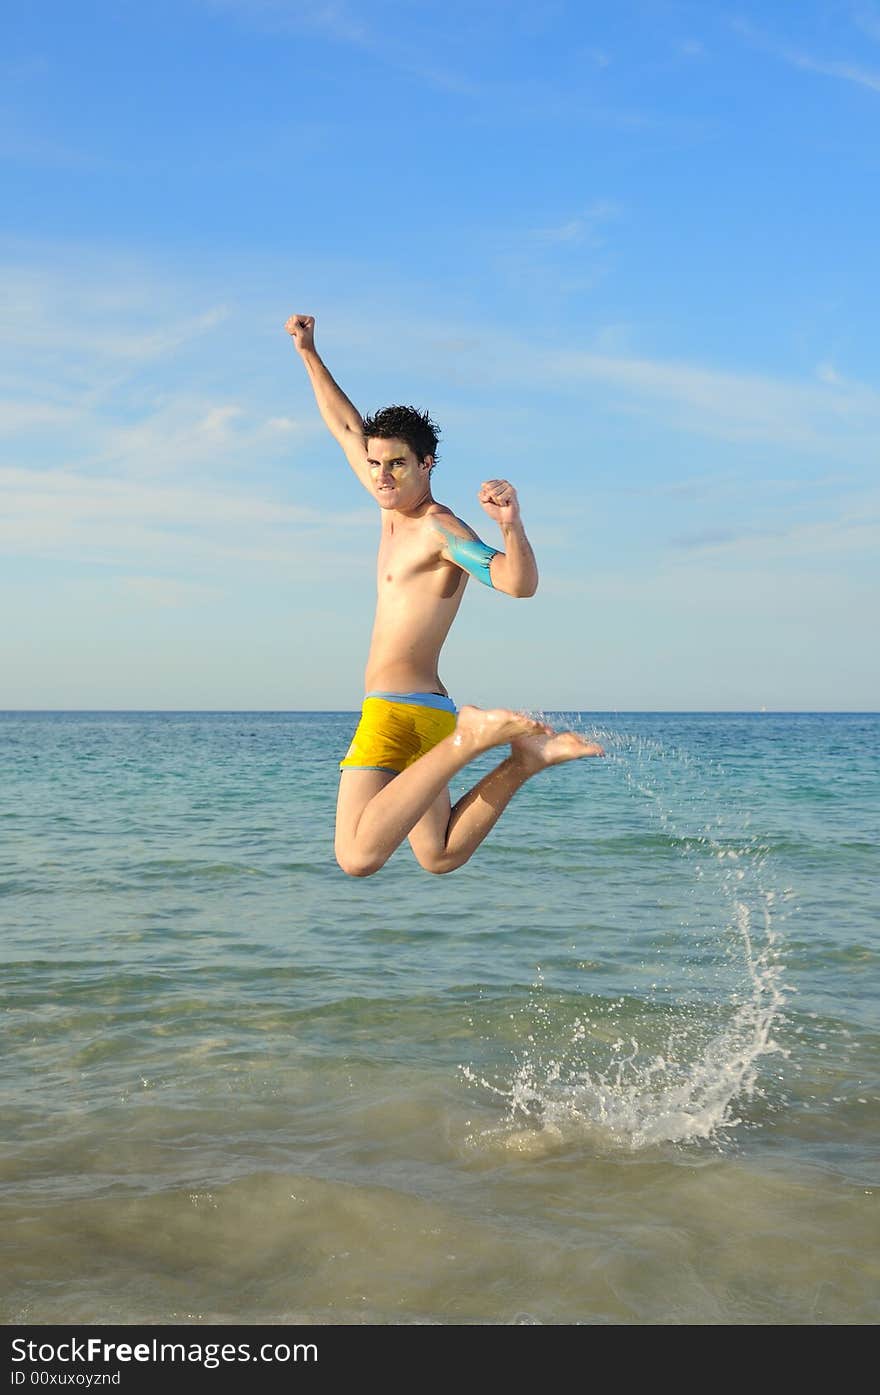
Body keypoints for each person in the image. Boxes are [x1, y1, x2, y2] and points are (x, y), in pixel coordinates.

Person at [285, 313, 603, 877]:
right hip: (426, 711)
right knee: (440, 853)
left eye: (397, 465)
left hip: (396, 710)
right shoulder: (389, 500)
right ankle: (522, 762)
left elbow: (517, 584)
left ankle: (472, 738)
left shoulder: (440, 530)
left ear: (426, 465)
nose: (382, 476)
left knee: (356, 857)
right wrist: (308, 352)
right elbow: (342, 426)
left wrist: (510, 525)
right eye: (376, 464)